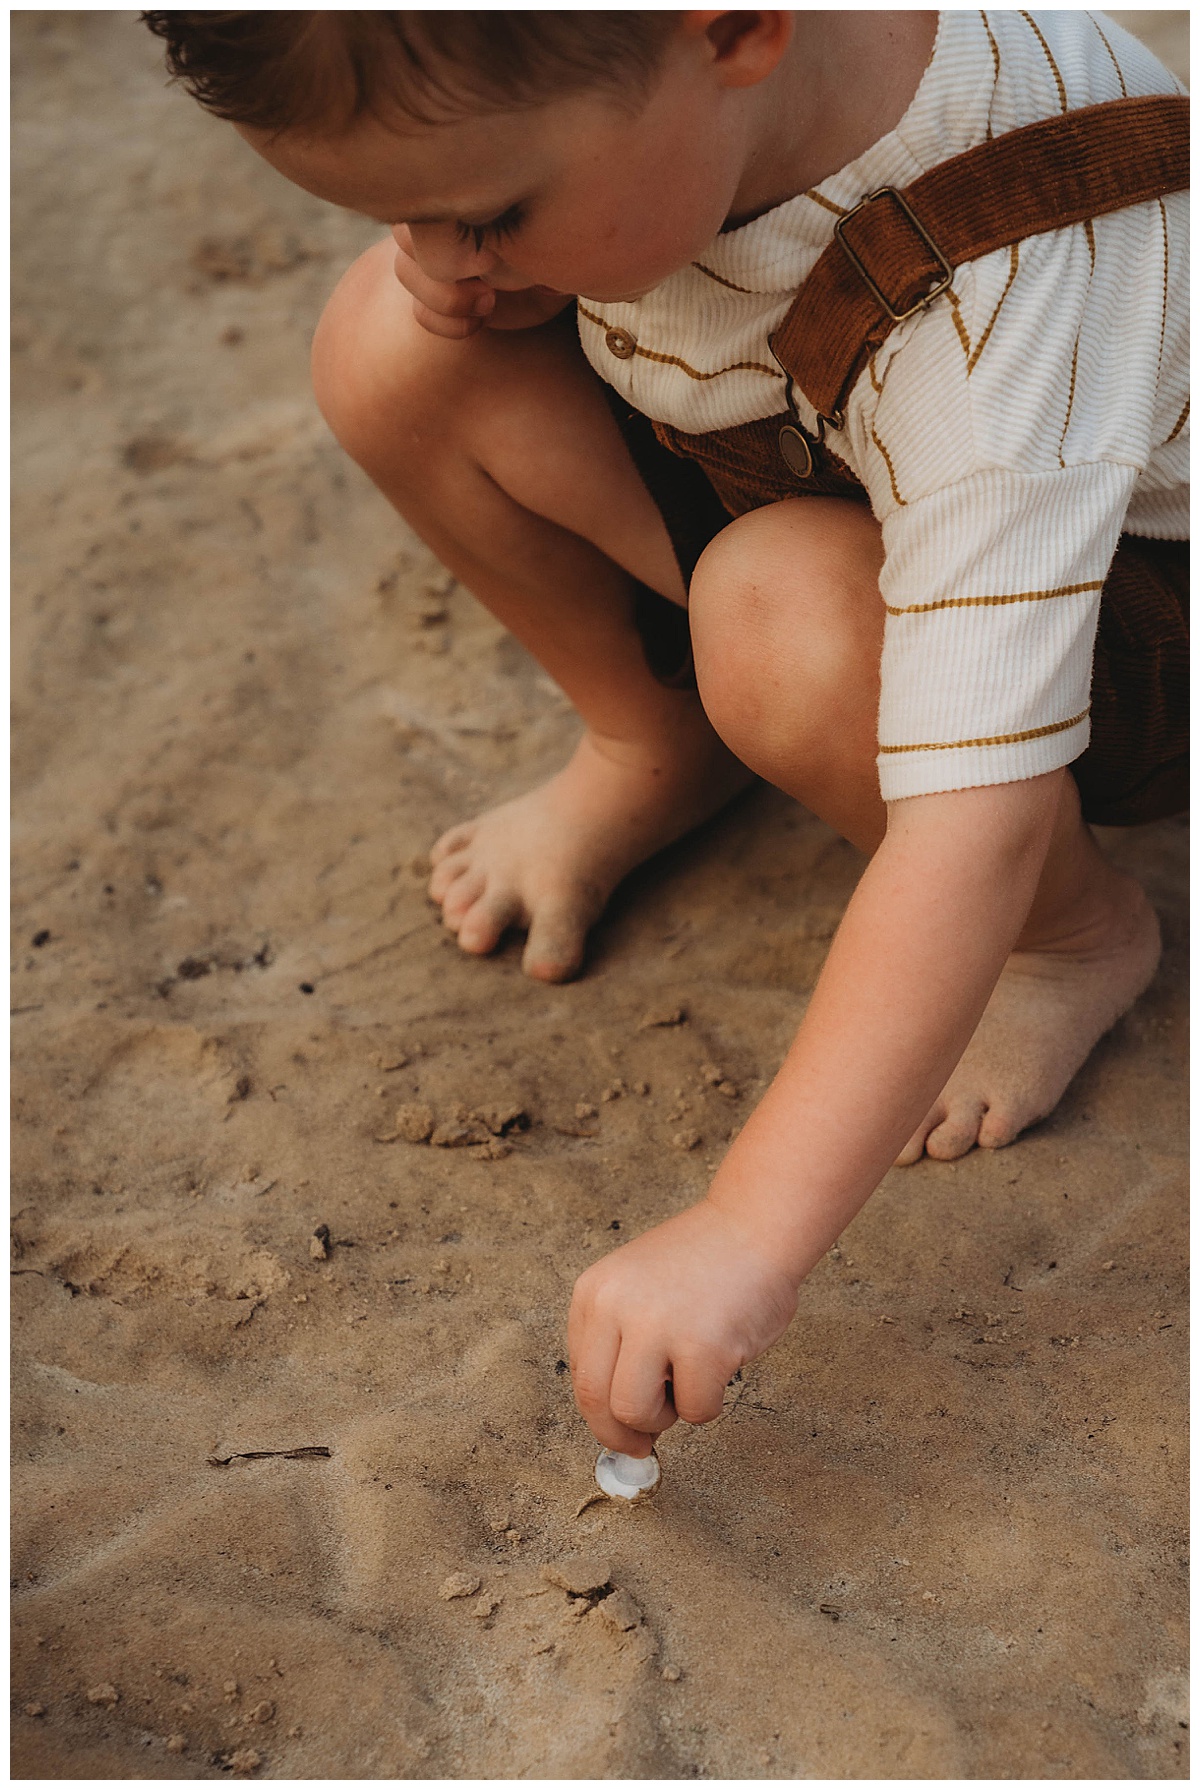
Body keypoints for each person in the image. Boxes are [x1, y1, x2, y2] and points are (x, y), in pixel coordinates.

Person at [145, 11, 1188, 1460]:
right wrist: (503, 260)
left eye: (489, 214)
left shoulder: (1000, 301)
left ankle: (1074, 934)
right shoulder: (680, 113)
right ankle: (654, 741)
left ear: (741, 30)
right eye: (406, 213)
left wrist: (743, 1231)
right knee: (391, 344)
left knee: (779, 628)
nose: (446, 256)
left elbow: (972, 820)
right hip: (812, 442)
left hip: (1114, 613)